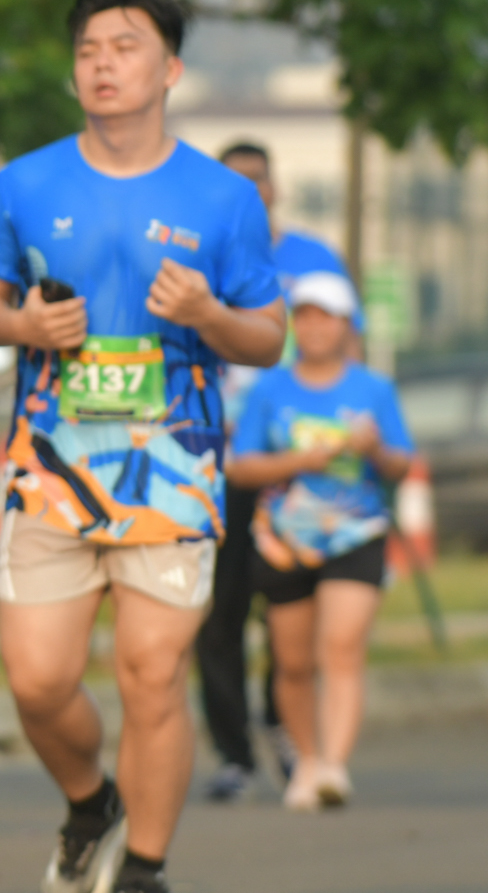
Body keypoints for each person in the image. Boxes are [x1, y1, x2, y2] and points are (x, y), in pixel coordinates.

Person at [0, 0, 284, 893]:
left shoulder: (223, 198)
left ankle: (143, 866)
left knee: (151, 671)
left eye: (124, 46)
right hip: (50, 466)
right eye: (88, 50)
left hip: (173, 467)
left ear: (169, 68)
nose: (102, 64)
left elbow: (267, 335)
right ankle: (89, 800)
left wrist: (209, 314)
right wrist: (19, 325)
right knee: (36, 681)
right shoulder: (23, 184)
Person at [196, 141, 363, 801]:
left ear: (274, 188)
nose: (246, 192)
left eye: (256, 181)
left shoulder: (312, 260)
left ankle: (286, 729)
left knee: (290, 611)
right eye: (231, 181)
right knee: (219, 612)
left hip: (298, 471)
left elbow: (350, 349)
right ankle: (233, 751)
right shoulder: (192, 258)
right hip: (214, 458)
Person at [226, 271, 412, 812]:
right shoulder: (269, 389)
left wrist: (374, 450)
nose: (314, 327)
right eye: (304, 316)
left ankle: (334, 764)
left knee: (341, 647)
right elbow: (240, 467)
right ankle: (306, 758)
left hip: (356, 532)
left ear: (347, 325)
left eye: (326, 317)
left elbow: (402, 463)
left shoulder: (374, 389)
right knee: (293, 663)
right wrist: (299, 461)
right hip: (285, 539)